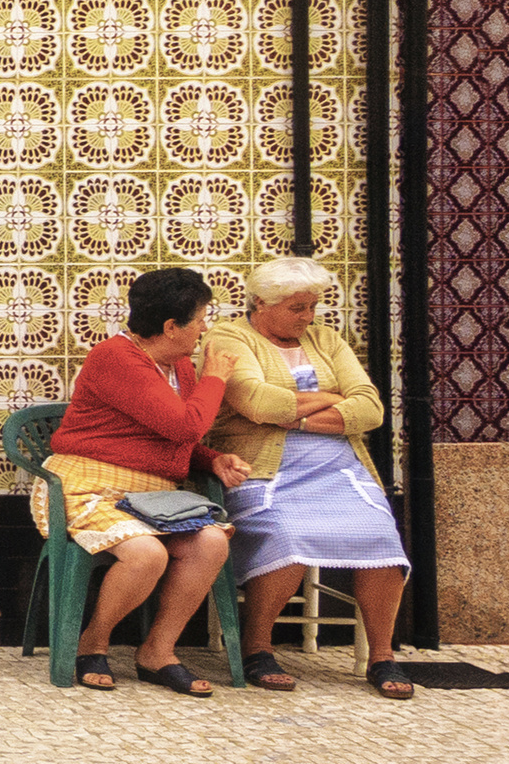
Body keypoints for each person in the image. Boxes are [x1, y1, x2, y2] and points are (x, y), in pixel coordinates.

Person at [201, 257, 415, 700]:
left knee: (381, 536)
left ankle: (381, 655)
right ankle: (258, 647)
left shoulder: (326, 339)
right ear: (261, 303)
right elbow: (257, 403)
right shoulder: (229, 337)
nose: (308, 316)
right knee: (289, 535)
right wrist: (333, 398)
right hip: (262, 468)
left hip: (339, 469)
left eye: (312, 306)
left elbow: (370, 408)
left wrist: (295, 415)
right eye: (297, 307)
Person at [34, 266, 248, 695]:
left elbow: (169, 435)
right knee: (146, 554)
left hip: (153, 496)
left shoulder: (178, 365)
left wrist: (212, 460)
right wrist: (216, 378)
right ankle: (92, 643)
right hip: (87, 486)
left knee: (211, 543)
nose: (204, 329)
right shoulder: (115, 358)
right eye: (200, 320)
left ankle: (157, 651)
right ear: (170, 327)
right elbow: (184, 426)